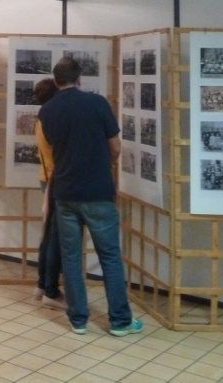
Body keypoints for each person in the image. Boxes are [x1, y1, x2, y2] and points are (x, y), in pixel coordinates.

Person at [37, 57, 143, 337]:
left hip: (65, 193)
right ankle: (120, 321)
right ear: (79, 79)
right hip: (97, 191)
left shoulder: (47, 112)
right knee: (109, 256)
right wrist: (105, 165)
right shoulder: (97, 104)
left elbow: (55, 148)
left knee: (71, 257)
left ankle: (78, 319)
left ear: (56, 80)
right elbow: (116, 146)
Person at [31, 77, 64, 308]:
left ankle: (42, 284)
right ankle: (49, 288)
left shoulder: (42, 117)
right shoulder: (49, 117)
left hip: (48, 178)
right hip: (54, 180)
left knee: (48, 235)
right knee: (54, 238)